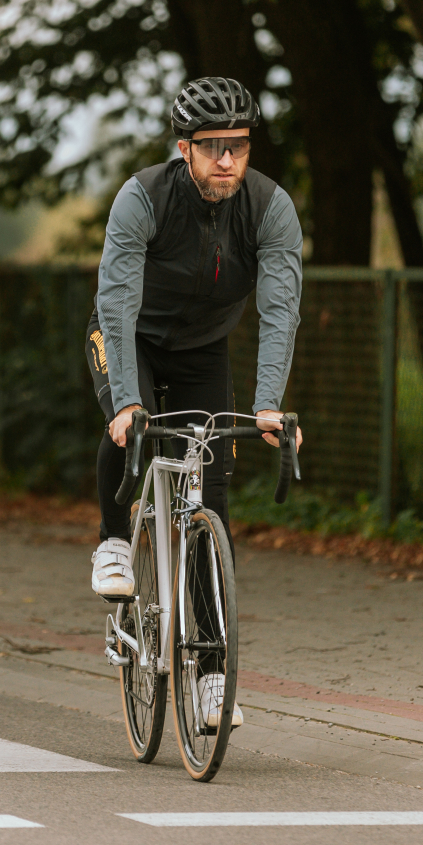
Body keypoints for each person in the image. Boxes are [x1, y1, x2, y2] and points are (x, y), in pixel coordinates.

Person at [85, 75, 306, 733]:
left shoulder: (270, 208)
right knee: (128, 426)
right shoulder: (142, 199)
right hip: (131, 337)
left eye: (238, 146)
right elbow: (118, 305)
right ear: (185, 150)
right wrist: (126, 399)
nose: (228, 160)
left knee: (209, 501)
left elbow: (279, 310)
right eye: (212, 147)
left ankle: (212, 675)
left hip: (205, 349)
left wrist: (269, 406)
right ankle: (113, 541)